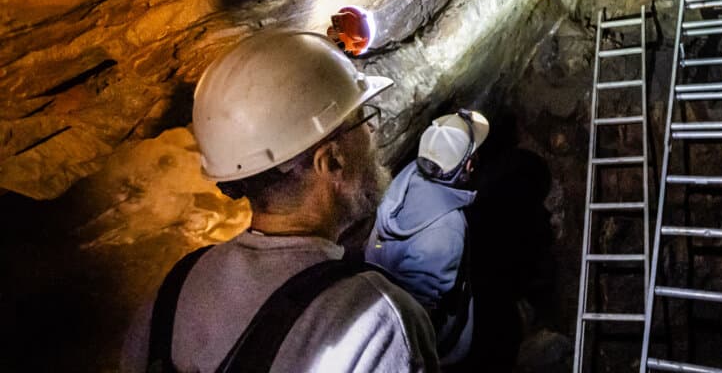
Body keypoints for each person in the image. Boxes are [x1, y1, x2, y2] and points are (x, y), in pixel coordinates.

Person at [121, 30, 438, 373]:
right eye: (362, 120)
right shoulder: (378, 323)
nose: (372, 133)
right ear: (331, 160)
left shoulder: (173, 292)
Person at [364, 110, 489, 368]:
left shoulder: (407, 177)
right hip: (440, 347)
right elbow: (421, 319)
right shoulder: (447, 231)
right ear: (468, 166)